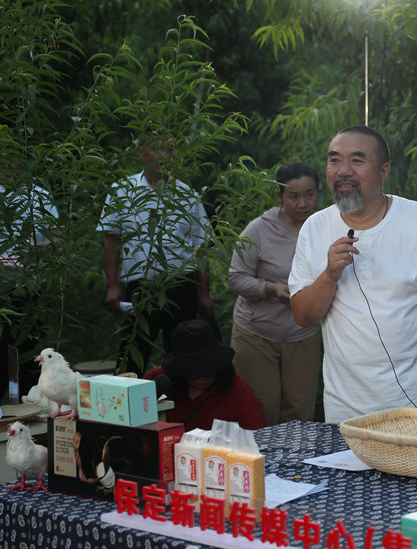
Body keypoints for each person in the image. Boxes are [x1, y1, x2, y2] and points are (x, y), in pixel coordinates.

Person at [288, 125, 417, 423]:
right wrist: (329, 275)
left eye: (357, 161)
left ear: (384, 171)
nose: (343, 170)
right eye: (334, 160)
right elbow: (303, 315)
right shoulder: (314, 227)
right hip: (347, 411)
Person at [98, 137, 214, 374]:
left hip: (181, 284)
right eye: (158, 149)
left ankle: (181, 408)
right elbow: (110, 240)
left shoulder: (186, 194)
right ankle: (129, 407)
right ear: (141, 152)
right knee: (132, 355)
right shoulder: (123, 191)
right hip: (141, 287)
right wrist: (112, 286)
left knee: (184, 354)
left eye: (170, 150)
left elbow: (201, 246)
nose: (165, 156)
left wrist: (204, 292)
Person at [228, 161, 322, 426]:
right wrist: (270, 289)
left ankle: (296, 467)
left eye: (310, 194)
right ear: (279, 197)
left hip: (303, 332)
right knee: (260, 410)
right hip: (257, 335)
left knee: (300, 413)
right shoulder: (259, 229)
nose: (303, 203)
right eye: (293, 196)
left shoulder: (324, 226)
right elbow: (236, 278)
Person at [1, 164, 60, 399]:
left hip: (30, 288)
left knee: (30, 352)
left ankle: (28, 401)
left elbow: (55, 239)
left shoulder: (38, 195)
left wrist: (32, 254)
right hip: (3, 290)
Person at [143, 319, 265, 431]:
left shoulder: (237, 390)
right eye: (194, 373)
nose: (203, 378)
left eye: (209, 371)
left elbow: (254, 432)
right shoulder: (157, 381)